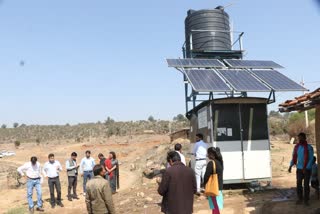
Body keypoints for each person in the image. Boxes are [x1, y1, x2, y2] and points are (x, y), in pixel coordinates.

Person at [288, 132, 314, 206]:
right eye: (299, 138)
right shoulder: (296, 147)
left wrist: (306, 168)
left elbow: (311, 159)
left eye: (301, 138)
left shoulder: (309, 147)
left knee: (306, 185)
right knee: (299, 184)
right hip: (299, 169)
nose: (299, 139)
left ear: (305, 138)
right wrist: (290, 166)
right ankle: (300, 198)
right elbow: (294, 157)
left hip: (307, 169)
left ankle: (306, 200)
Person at [204, 147, 224, 214]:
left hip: (213, 188)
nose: (207, 155)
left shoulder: (211, 163)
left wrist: (204, 185)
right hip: (219, 188)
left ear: (211, 154)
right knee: (216, 207)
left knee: (215, 207)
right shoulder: (220, 162)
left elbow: (206, 176)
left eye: (208, 154)